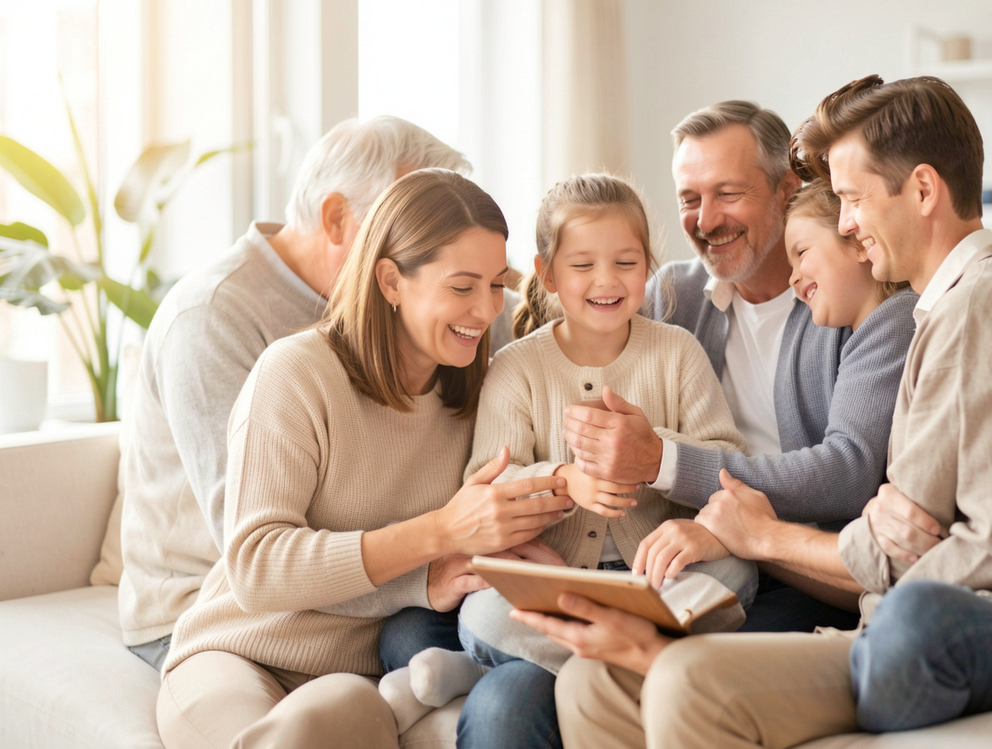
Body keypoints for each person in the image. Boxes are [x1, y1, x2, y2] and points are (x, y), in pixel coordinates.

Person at [519, 75, 992, 747]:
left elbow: (990, 549)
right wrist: (880, 528)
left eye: (852, 200)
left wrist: (768, 536)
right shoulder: (946, 314)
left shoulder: (983, 308)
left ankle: (677, 664)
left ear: (922, 191)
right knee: (590, 683)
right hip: (894, 620)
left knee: (694, 677)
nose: (843, 222)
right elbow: (903, 530)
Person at [154, 169, 574, 749]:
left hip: (355, 676)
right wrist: (440, 532)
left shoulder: (481, 393)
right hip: (239, 652)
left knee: (345, 709)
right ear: (391, 281)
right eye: (462, 287)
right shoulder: (297, 373)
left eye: (496, 285)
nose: (485, 310)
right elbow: (256, 566)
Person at [380, 173, 754, 749]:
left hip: (656, 579)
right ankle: (636, 658)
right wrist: (565, 480)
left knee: (738, 576)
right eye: (583, 266)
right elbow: (488, 481)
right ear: (548, 274)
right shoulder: (515, 367)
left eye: (626, 263)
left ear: (648, 268)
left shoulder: (677, 352)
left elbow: (728, 466)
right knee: (482, 615)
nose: (606, 280)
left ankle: (479, 668)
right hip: (554, 583)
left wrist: (652, 454)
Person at [118, 117, 475, 671]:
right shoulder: (211, 318)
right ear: (336, 218)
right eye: (410, 228)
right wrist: (427, 566)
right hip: (217, 609)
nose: (432, 254)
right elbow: (253, 557)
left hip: (380, 589)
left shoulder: (419, 304)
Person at [562, 100, 915, 631]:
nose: (705, 221)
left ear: (786, 189)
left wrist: (663, 463)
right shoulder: (670, 296)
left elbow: (848, 471)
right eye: (689, 199)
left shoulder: (856, 299)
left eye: (728, 194)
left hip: (804, 570)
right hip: (691, 554)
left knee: (677, 658)